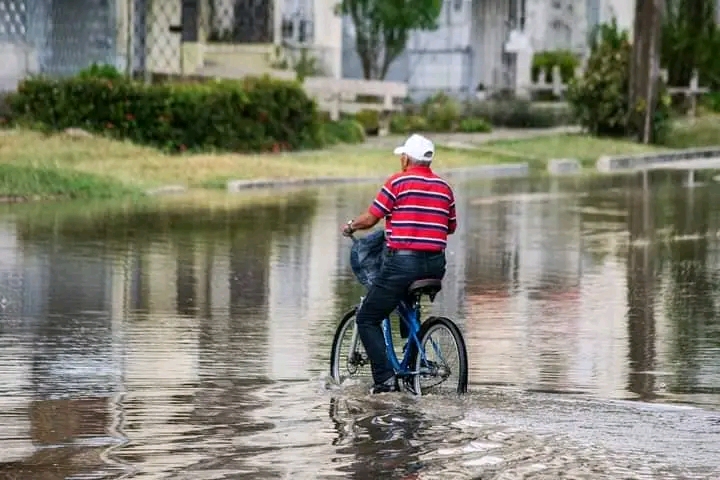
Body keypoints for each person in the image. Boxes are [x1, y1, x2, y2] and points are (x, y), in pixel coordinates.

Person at [341, 133, 457, 394]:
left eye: (402, 156)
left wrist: (350, 226)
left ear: (406, 158)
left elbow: (371, 219)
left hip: (402, 265)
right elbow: (450, 227)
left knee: (368, 318)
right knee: (408, 300)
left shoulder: (397, 182)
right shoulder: (445, 188)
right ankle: (413, 359)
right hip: (436, 266)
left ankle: (384, 380)